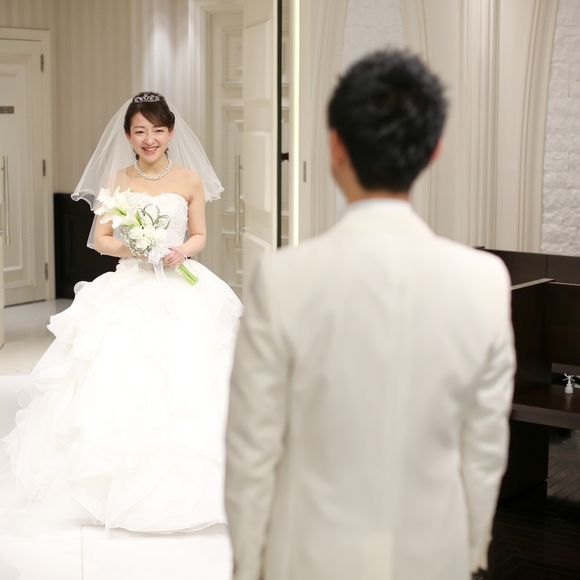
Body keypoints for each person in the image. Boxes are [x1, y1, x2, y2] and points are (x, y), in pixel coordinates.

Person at [225, 49, 515, 580]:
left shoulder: (282, 278)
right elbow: (484, 450)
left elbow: (253, 449)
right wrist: (472, 549)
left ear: (336, 147)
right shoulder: (486, 282)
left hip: (309, 556)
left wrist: (248, 564)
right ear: (433, 151)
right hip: (435, 556)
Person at [0, 92, 242, 534]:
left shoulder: (189, 180)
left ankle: (188, 491)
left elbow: (200, 235)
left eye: (158, 130)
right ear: (128, 136)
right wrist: (138, 247)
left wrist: (180, 250)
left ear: (171, 133)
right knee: (119, 380)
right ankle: (111, 484)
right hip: (131, 284)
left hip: (179, 284)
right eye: (140, 131)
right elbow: (102, 239)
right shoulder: (118, 180)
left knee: (187, 379)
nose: (150, 139)